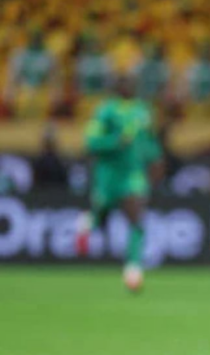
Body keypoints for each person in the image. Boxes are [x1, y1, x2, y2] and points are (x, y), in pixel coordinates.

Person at [76, 75, 162, 291]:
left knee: (136, 220)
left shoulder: (143, 111)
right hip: (108, 176)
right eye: (124, 84)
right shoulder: (105, 111)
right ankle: (87, 223)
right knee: (100, 216)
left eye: (131, 83)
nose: (129, 87)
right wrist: (116, 141)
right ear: (117, 88)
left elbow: (147, 140)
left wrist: (155, 158)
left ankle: (133, 269)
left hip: (133, 175)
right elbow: (91, 142)